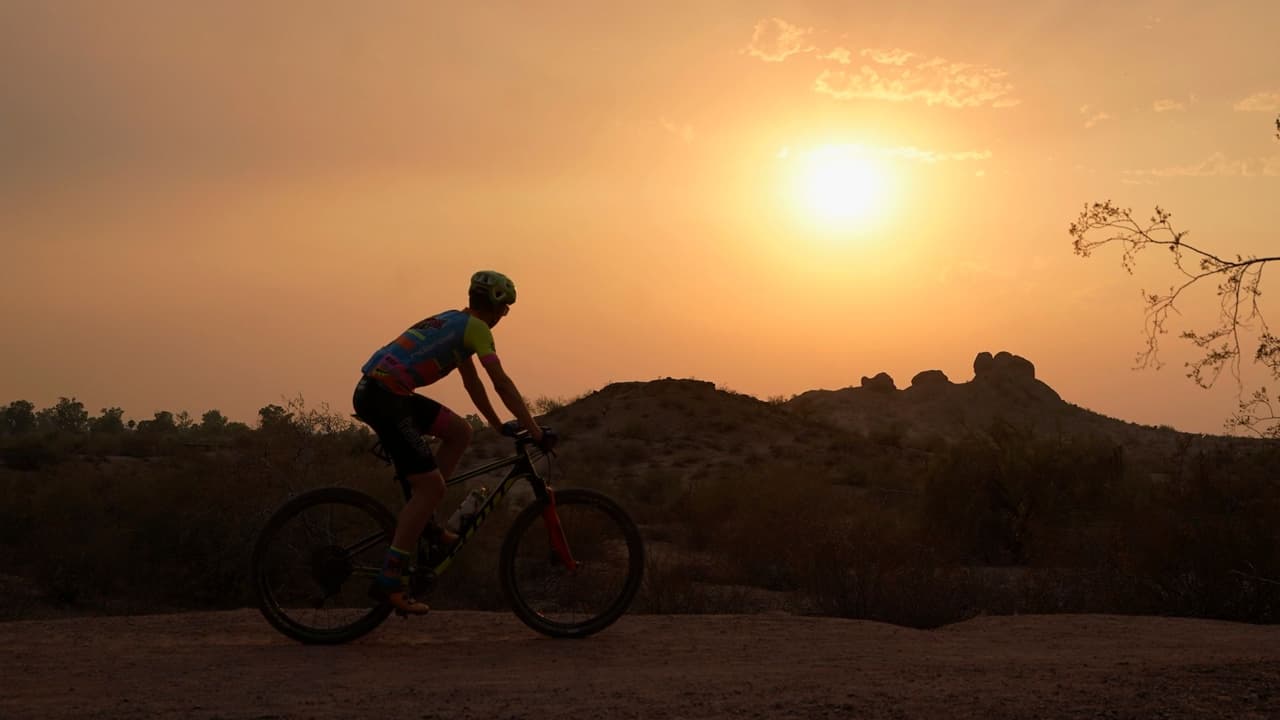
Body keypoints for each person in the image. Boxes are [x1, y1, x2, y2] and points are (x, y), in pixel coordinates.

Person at [353, 270, 553, 615]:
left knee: (461, 432)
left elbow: (473, 384)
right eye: (505, 309)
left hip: (385, 392)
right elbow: (500, 383)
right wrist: (535, 431)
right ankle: (389, 581)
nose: (504, 316)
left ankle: (427, 526)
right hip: (384, 398)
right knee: (431, 489)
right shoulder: (477, 330)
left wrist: (497, 425)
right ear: (496, 308)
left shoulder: (456, 321)